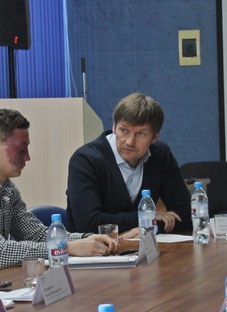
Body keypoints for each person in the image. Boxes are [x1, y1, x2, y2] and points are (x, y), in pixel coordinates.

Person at [0, 108, 116, 283]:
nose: (27, 157)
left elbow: (37, 235)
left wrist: (89, 239)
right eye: (21, 149)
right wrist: (66, 247)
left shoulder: (6, 188)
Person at [64, 93, 191, 233]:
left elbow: (188, 214)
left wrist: (149, 228)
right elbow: (89, 223)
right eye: (124, 130)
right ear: (114, 127)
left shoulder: (160, 156)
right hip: (93, 246)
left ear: (155, 137)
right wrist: (146, 220)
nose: (130, 142)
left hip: (140, 244)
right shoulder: (85, 160)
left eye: (141, 134)